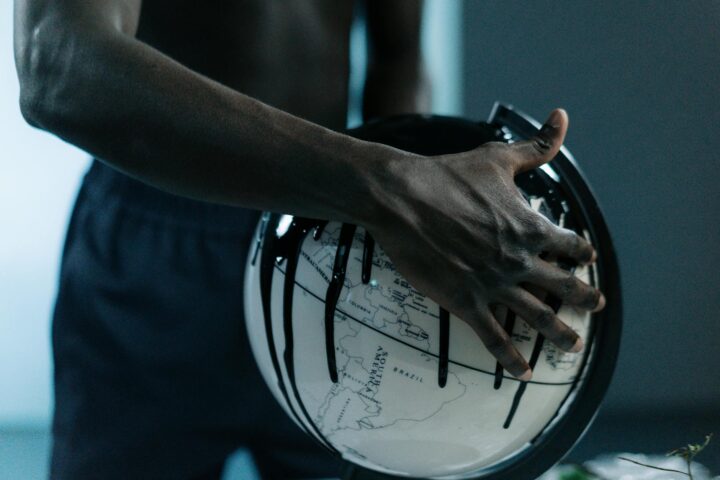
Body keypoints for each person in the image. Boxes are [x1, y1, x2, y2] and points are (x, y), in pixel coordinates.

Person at [14, 1, 605, 478]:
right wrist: (393, 190)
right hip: (158, 254)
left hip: (338, 247)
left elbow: (398, 56)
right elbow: (56, 64)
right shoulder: (378, 188)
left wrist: (407, 223)